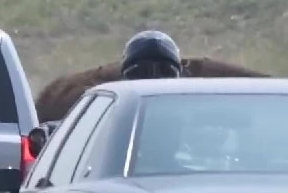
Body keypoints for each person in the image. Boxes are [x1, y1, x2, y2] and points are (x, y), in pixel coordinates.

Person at [29, 30, 185, 154]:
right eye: (144, 71)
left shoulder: (108, 110)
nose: (154, 76)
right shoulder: (111, 112)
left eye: (163, 71)